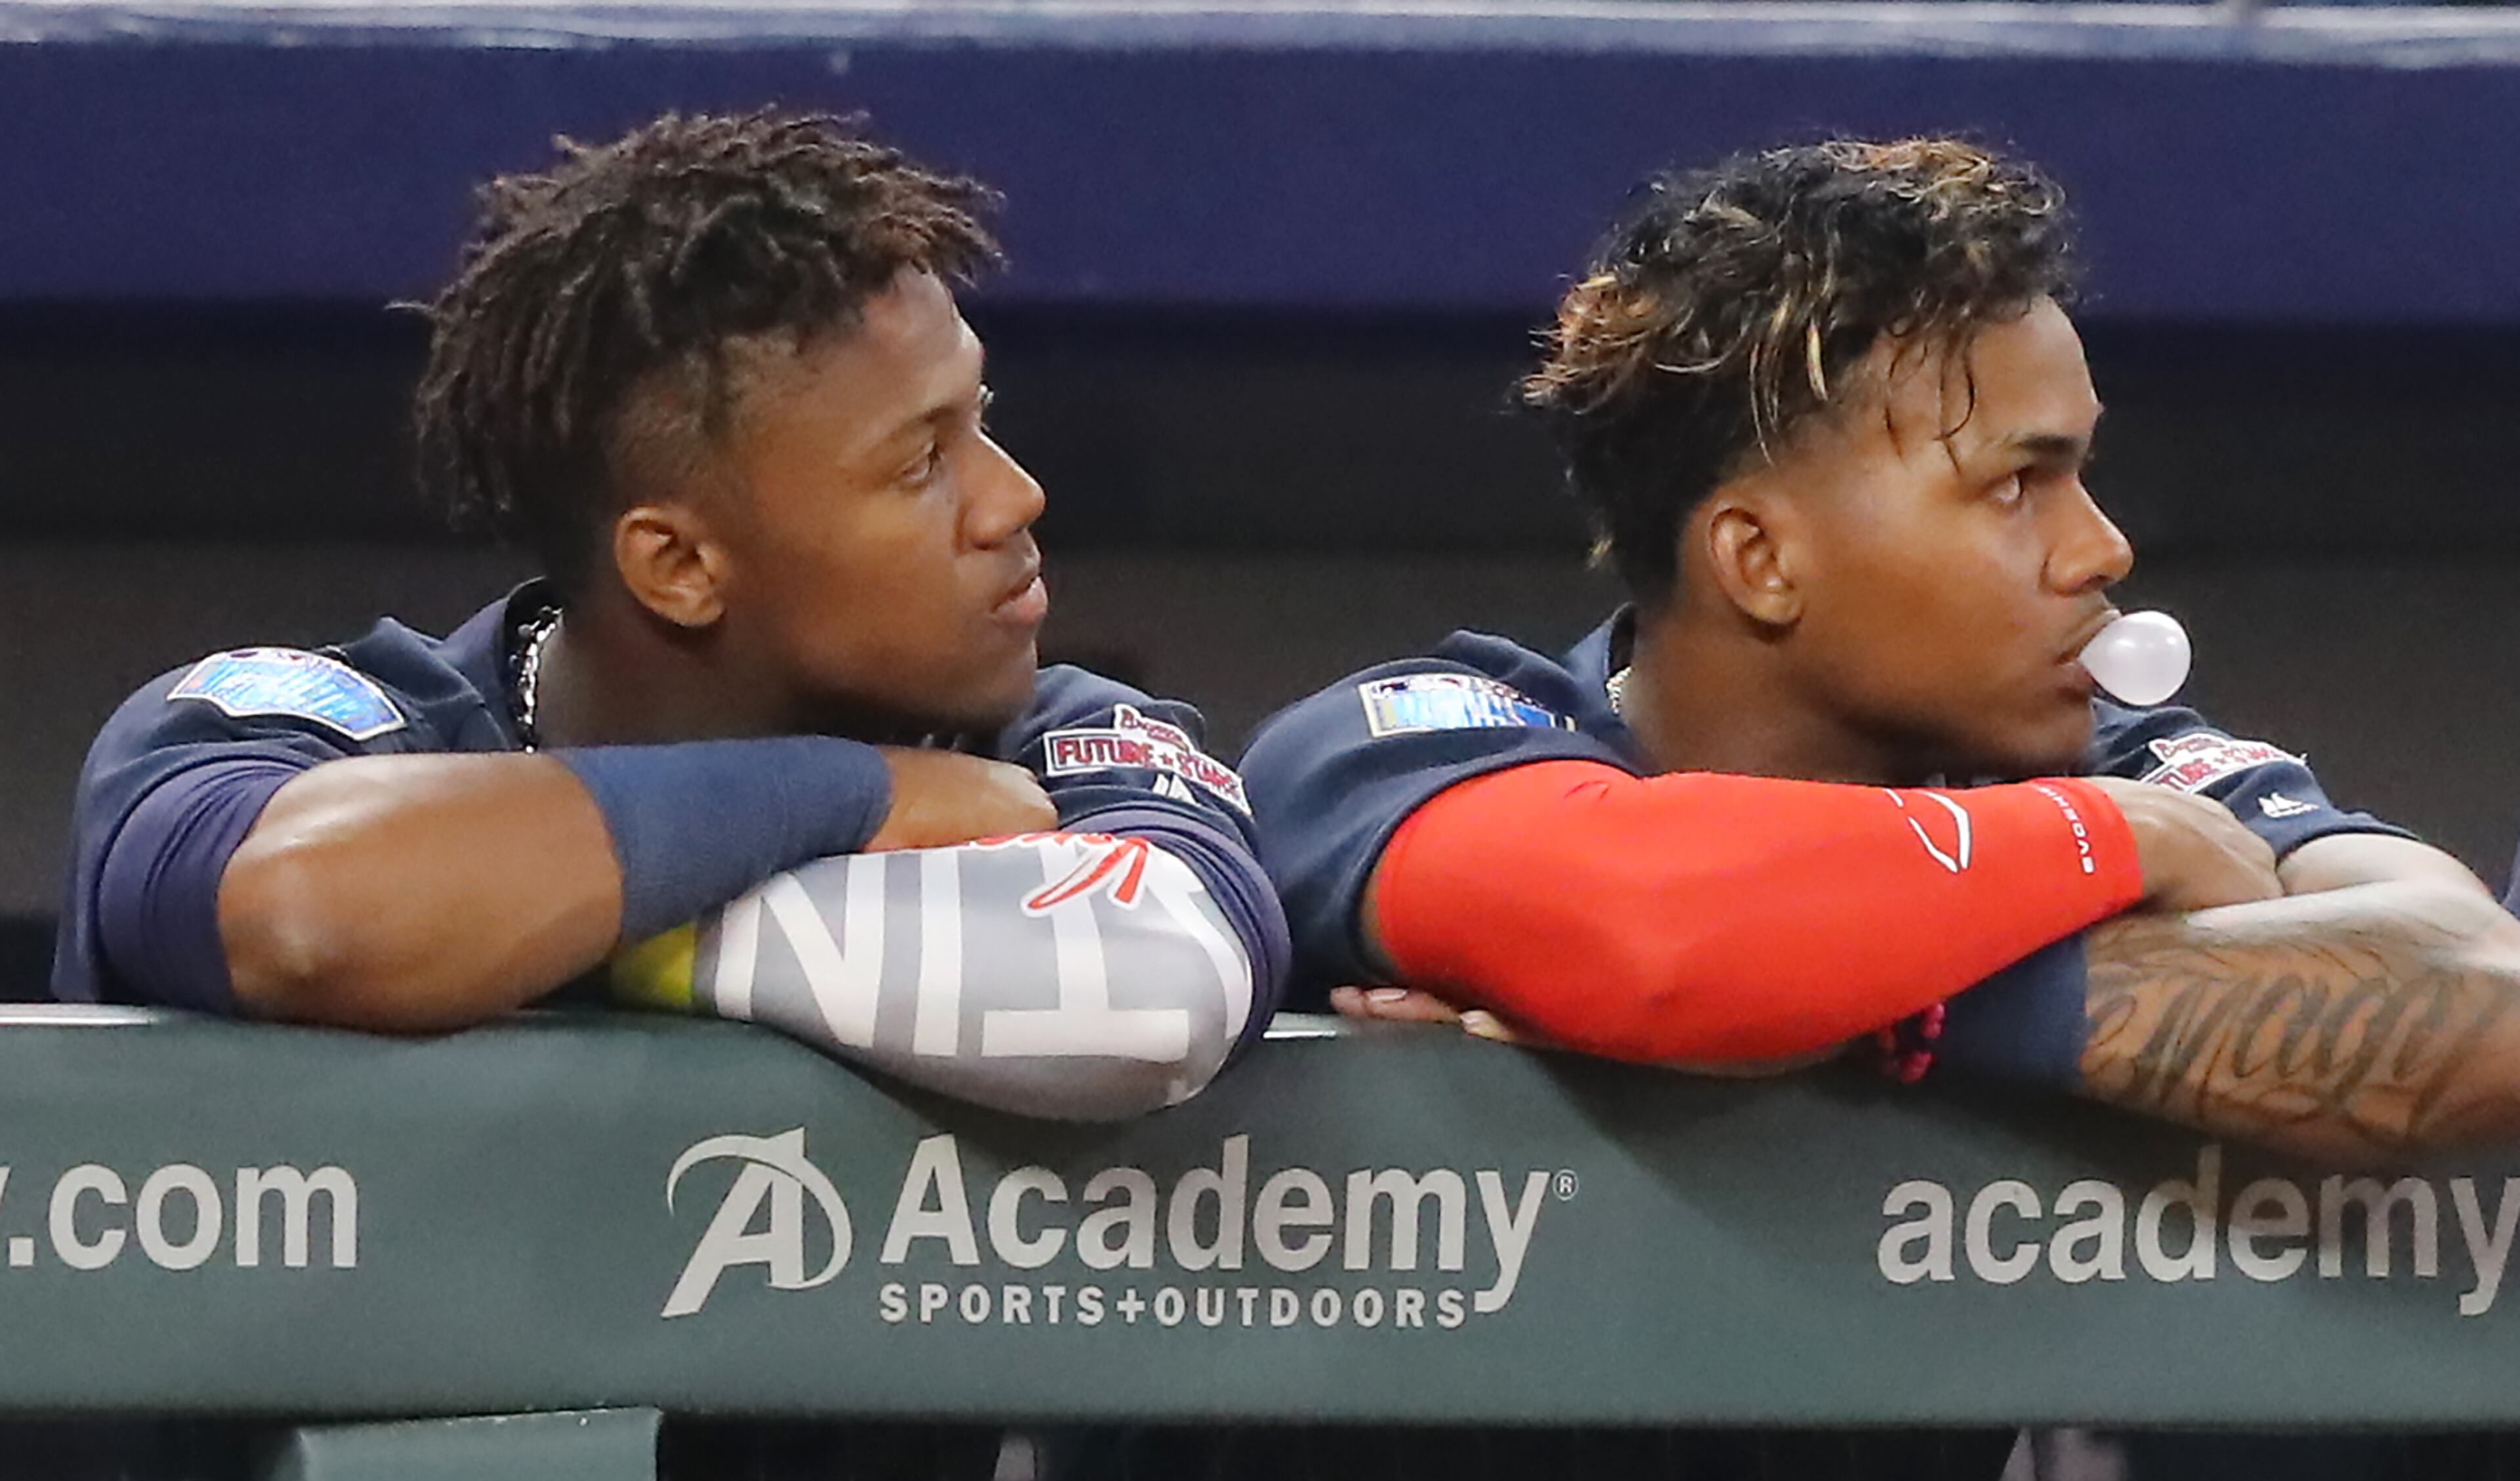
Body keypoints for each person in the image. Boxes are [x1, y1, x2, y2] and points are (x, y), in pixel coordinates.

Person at [1240, 137, 2520, 1161]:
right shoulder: (1407, 742)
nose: (2102, 548)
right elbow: (1655, 931)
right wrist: (2112, 846)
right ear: (1762, 559)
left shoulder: (2118, 757)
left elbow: (2480, 1000)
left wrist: (1832, 999)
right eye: (2017, 485)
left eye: (2081, 471)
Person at [52, 110, 1286, 1123]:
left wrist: (541, 936)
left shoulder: (1051, 745)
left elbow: (1155, 996)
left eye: (981, 417)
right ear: (679, 564)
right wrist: (861, 799)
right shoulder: (301, 729)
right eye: (920, 464)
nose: (1014, 498)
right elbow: (315, 915)